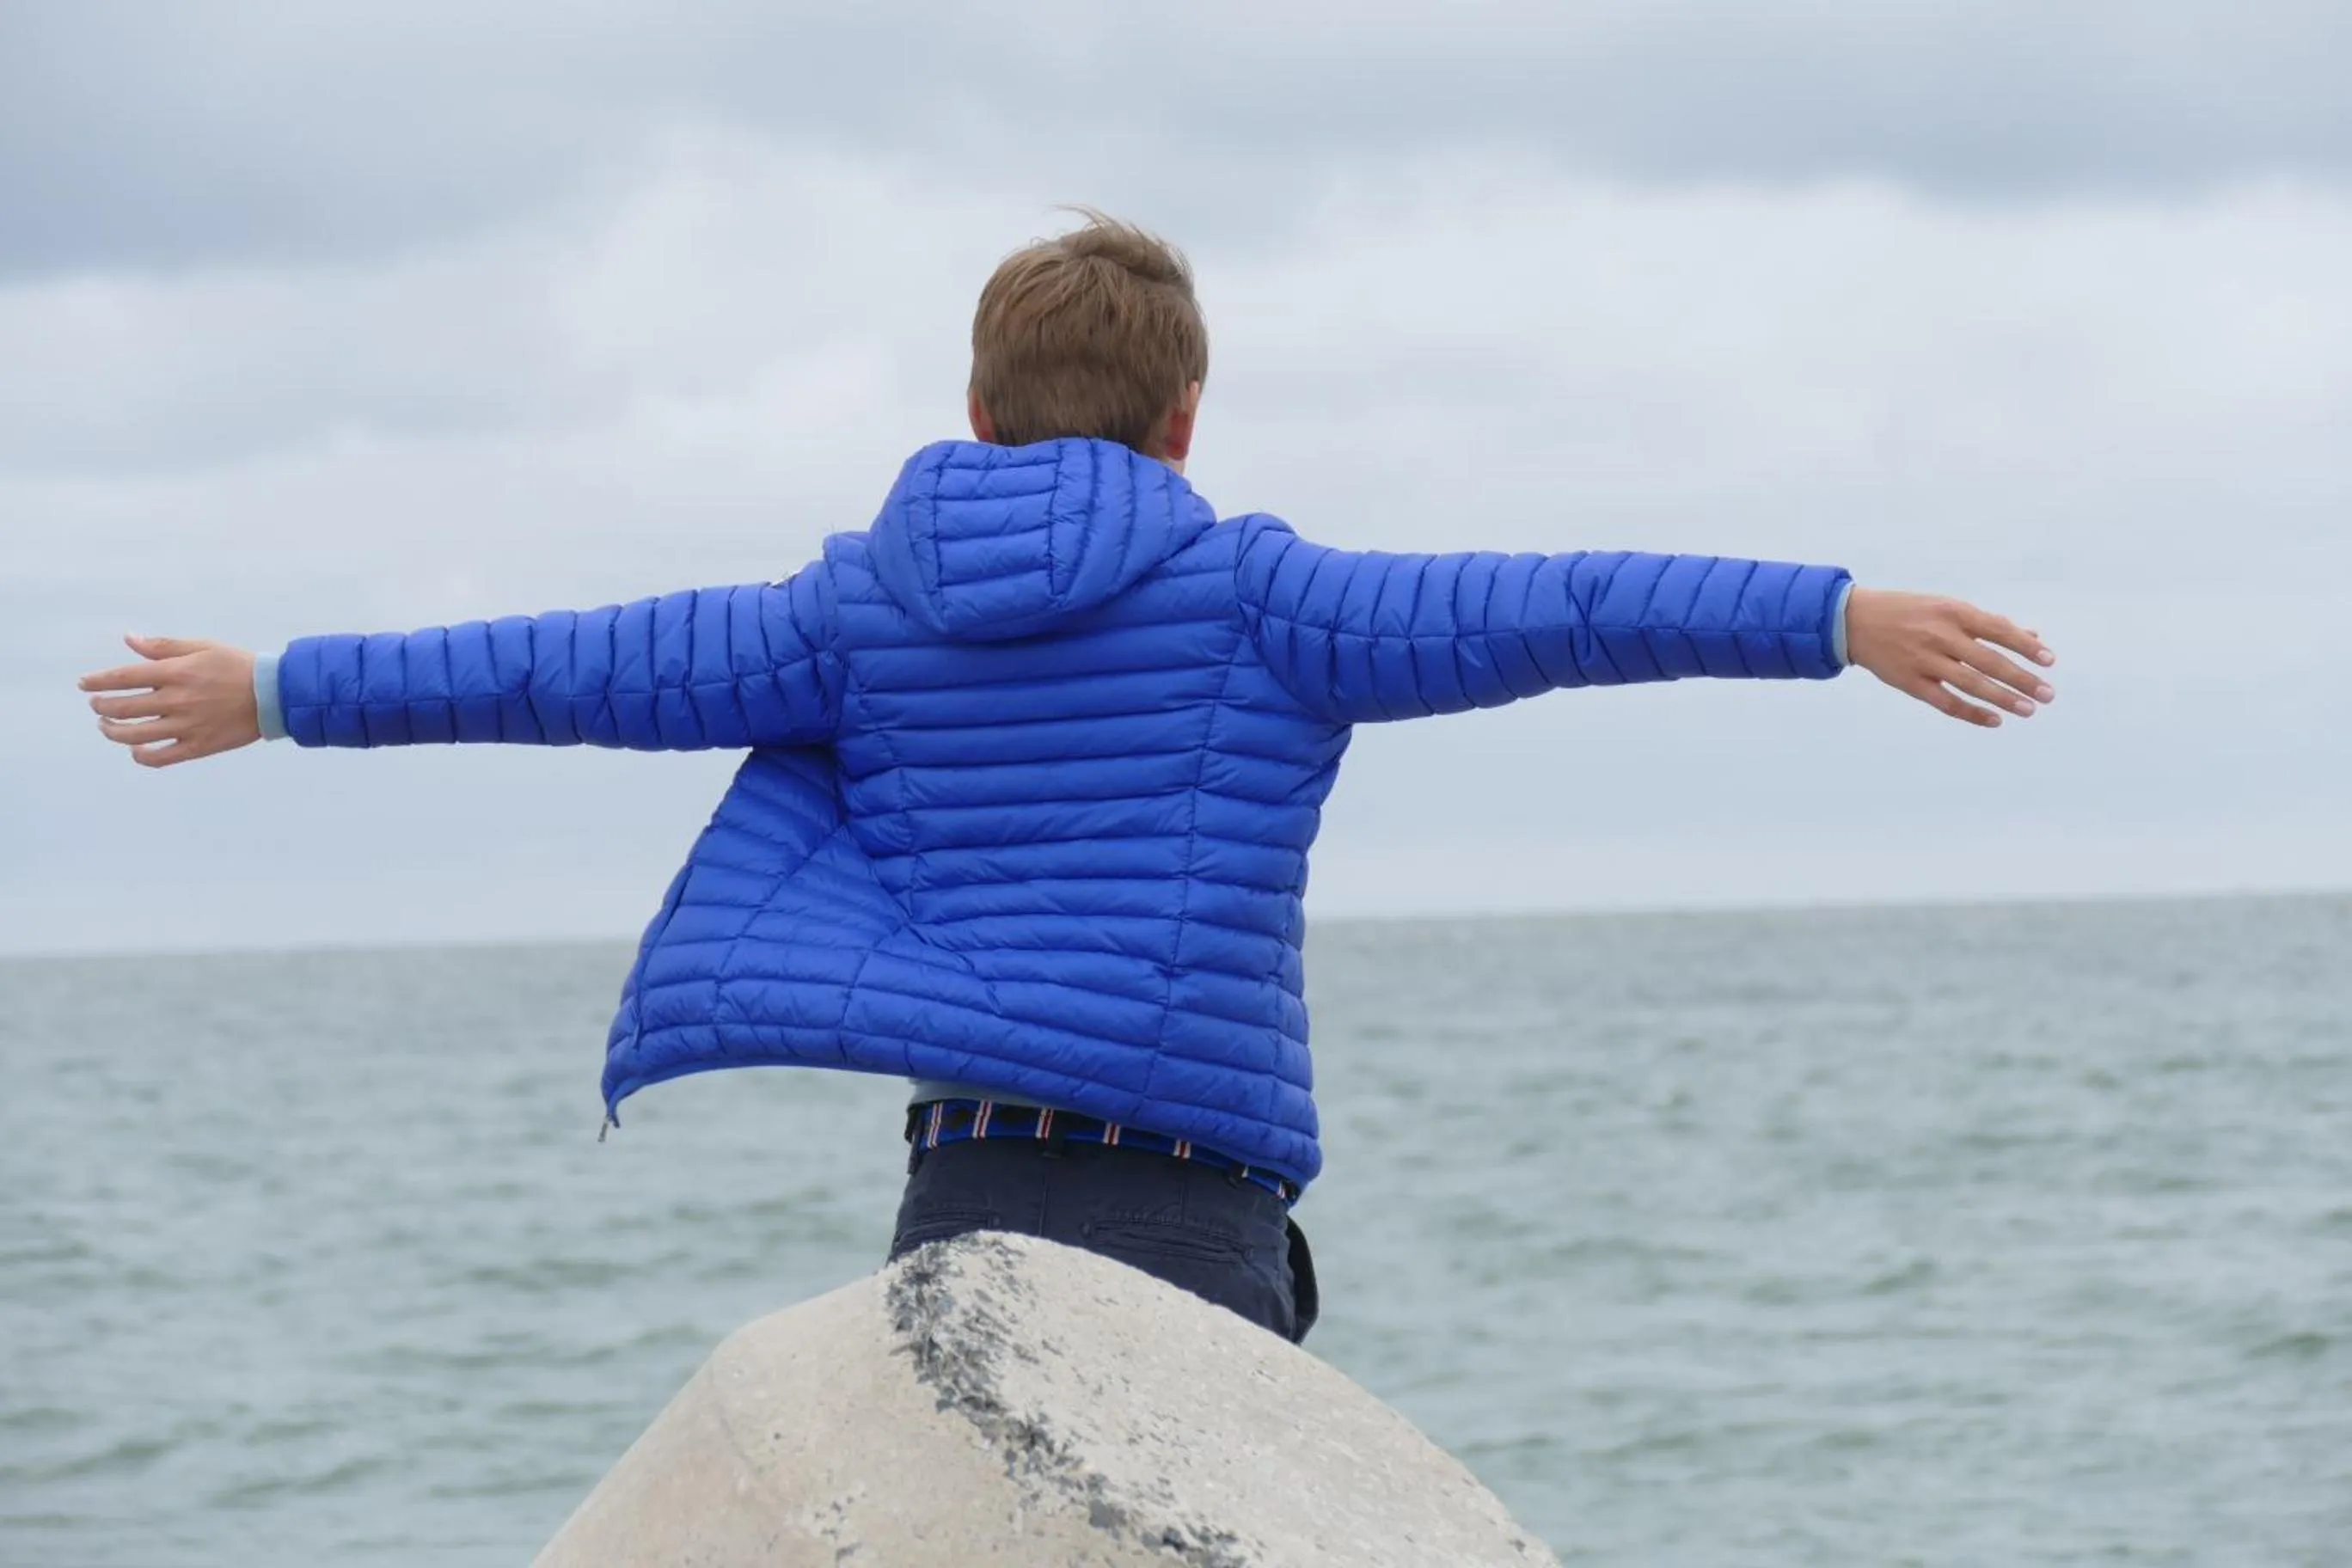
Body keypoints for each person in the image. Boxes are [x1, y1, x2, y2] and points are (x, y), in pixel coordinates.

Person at [79, 211, 2055, 1345]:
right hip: (1194, 1214)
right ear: (1186, 418)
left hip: (961, 1195)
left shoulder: (854, 612)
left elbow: (568, 667)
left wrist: (279, 689)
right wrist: (1836, 615)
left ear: (975, 408)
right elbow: (1564, 606)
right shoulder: (1270, 600)